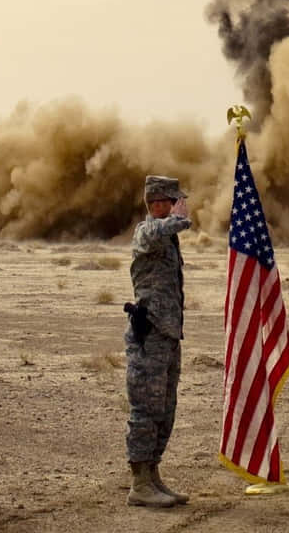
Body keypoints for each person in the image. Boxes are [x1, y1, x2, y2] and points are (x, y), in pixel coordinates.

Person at [125, 174, 190, 508]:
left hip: (168, 334)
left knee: (165, 409)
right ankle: (139, 482)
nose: (181, 205)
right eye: (173, 201)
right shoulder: (147, 232)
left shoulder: (169, 239)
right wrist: (176, 220)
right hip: (149, 334)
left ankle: (152, 474)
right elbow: (151, 232)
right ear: (157, 204)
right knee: (146, 409)